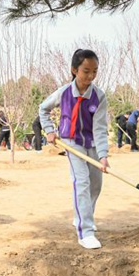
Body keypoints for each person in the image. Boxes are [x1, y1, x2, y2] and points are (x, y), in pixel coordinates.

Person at [39, 49, 109, 250]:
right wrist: (49, 130)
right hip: (72, 142)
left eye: (94, 71)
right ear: (74, 70)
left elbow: (100, 128)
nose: (90, 76)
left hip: (92, 143)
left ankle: (83, 216)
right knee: (82, 183)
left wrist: (103, 155)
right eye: (86, 71)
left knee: (96, 185)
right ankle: (85, 232)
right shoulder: (63, 93)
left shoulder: (99, 96)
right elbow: (43, 109)